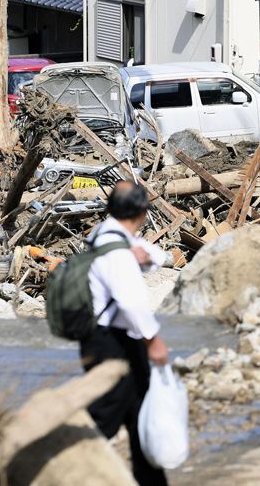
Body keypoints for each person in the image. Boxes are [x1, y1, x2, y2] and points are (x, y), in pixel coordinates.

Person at [81, 181, 169, 486]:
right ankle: (66, 474)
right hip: (113, 344)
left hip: (108, 340)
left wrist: (144, 256)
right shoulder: (118, 250)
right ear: (142, 212)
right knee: (104, 418)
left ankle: (151, 481)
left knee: (138, 416)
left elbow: (155, 256)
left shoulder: (104, 233)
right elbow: (131, 302)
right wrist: (154, 342)